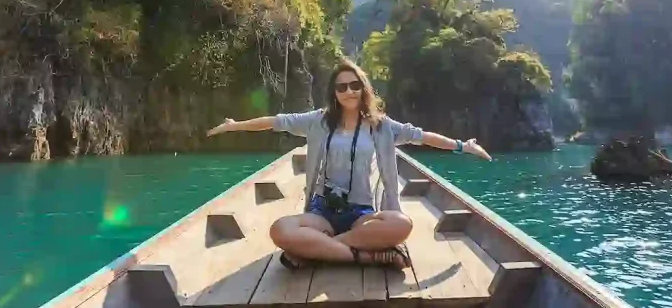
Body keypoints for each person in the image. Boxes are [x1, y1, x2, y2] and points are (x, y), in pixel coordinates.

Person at [206, 59, 492, 271]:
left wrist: (462, 146)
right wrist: (235, 126)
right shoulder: (318, 120)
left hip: (361, 213)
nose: (349, 91)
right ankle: (364, 255)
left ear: (363, 88)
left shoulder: (382, 127)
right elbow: (276, 121)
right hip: (323, 210)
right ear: (334, 91)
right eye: (342, 86)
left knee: (400, 223)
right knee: (280, 229)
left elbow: (422, 136)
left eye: (355, 85)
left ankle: (317, 250)